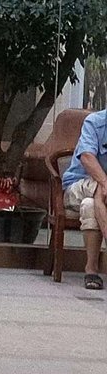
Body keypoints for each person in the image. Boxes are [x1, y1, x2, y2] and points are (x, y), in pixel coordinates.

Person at [62, 110, 107, 290]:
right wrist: (105, 182)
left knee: (89, 205)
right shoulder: (95, 122)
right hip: (76, 185)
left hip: (97, 199)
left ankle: (91, 271)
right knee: (98, 186)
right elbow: (87, 157)